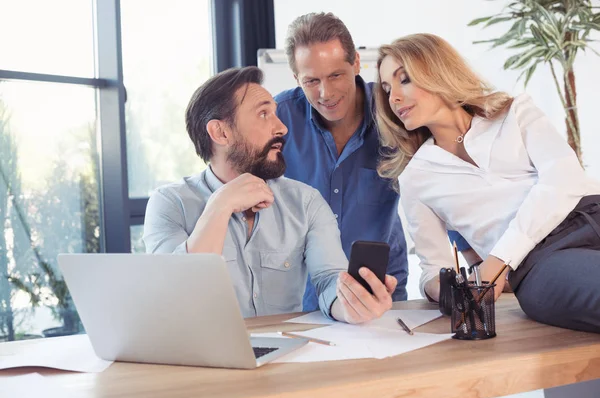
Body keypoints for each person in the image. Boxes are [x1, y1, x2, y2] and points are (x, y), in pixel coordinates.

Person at [375, 33, 600, 333]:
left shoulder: (515, 111)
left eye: (404, 80)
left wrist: (495, 263)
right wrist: (452, 290)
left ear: (437, 70)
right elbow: (432, 268)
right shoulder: (416, 177)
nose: (393, 98)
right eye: (387, 89)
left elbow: (564, 178)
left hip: (590, 212)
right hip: (540, 262)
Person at [143, 66, 397, 324]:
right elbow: (176, 298)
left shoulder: (305, 202)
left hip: (284, 355)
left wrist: (352, 305)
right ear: (221, 132)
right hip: (205, 359)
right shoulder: (170, 204)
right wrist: (219, 206)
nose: (281, 128)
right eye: (264, 114)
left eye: (275, 113)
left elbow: (329, 279)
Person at [274, 12, 473, 310]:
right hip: (300, 295)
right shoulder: (279, 118)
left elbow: (441, 184)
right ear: (296, 78)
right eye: (311, 81)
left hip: (379, 290)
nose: (325, 93)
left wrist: (477, 263)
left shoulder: (396, 112)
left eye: (336, 76)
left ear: (356, 62)